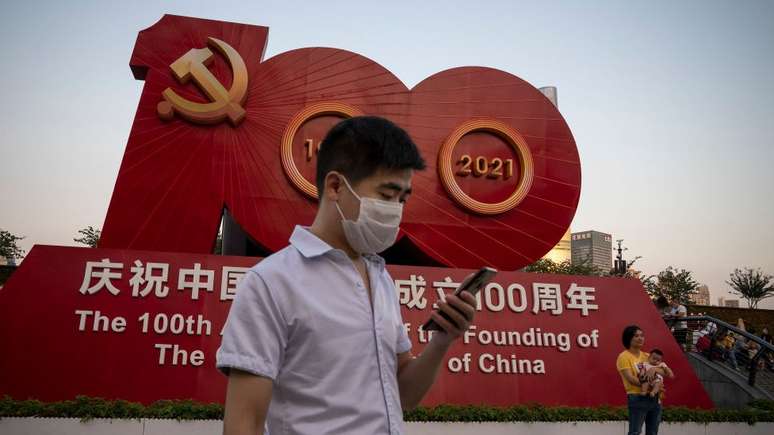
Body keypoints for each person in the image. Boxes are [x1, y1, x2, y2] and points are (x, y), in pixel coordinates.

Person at [215, 116, 478, 435]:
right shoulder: (271, 283)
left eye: (402, 199)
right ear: (336, 186)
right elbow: (244, 423)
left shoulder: (380, 279)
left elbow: (404, 395)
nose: (396, 209)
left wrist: (441, 341)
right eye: (386, 194)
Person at [617, 325, 674, 435]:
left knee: (653, 432)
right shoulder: (623, 357)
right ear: (629, 338)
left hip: (655, 399)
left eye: (642, 335)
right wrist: (650, 385)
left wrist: (654, 369)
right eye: (636, 336)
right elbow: (631, 379)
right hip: (637, 397)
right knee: (635, 432)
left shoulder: (648, 356)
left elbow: (665, 373)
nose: (640, 338)